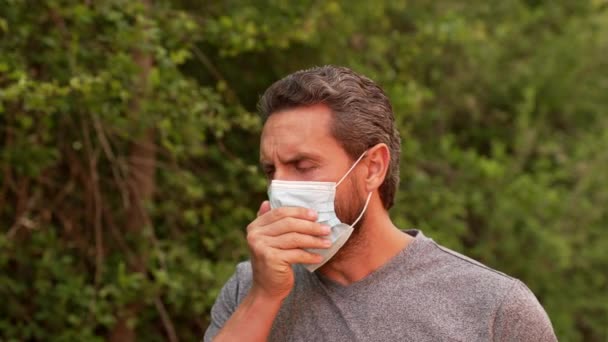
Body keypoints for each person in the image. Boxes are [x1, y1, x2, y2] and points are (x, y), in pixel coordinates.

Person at [204, 65, 557, 341]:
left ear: (372, 168)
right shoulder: (248, 287)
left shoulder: (492, 305)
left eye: (303, 166)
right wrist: (264, 297)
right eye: (271, 170)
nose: (280, 187)